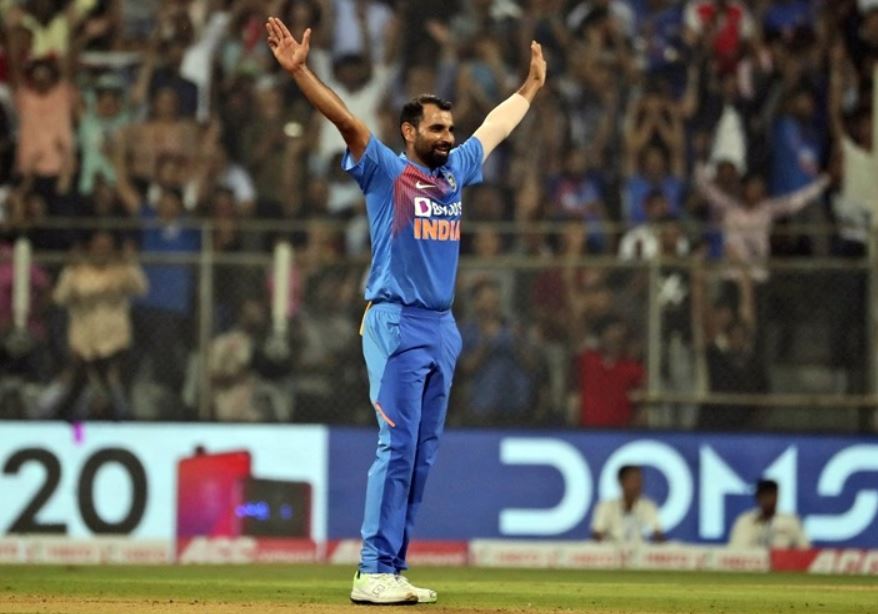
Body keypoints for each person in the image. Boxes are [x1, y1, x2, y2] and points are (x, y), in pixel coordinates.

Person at [265, 14, 546, 605]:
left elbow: (495, 127)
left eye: (450, 129)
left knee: (420, 456)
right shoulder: (387, 172)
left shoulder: (456, 174)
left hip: (442, 327)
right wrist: (300, 73)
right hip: (395, 320)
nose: (448, 137)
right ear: (408, 131)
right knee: (396, 447)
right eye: (437, 129)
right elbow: (346, 121)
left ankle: (392, 567)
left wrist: (529, 88)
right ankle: (370, 570)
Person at [591, 465, 665, 545]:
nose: (638, 485)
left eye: (639, 481)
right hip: (611, 549)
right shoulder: (606, 507)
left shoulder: (648, 506)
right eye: (633, 480)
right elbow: (597, 533)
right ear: (621, 482)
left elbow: (658, 532)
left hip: (638, 550)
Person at [729, 479, 810, 549]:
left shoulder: (791, 522)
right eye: (763, 494)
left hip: (782, 561)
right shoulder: (745, 521)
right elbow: (735, 550)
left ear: (777, 496)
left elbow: (805, 550)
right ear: (757, 497)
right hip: (752, 562)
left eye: (770, 494)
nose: (767, 498)